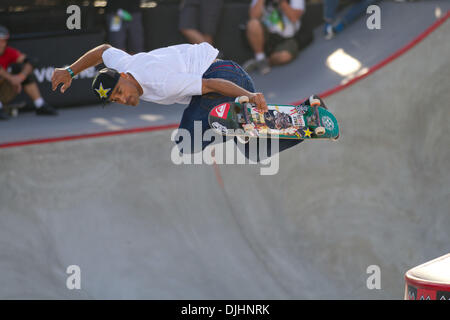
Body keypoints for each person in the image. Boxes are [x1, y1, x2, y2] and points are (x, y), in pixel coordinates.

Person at [51, 42, 304, 160]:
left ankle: (238, 117)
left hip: (223, 78)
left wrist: (249, 96)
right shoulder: (122, 64)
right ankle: (305, 120)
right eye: (116, 100)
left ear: (125, 77)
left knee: (187, 142)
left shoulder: (160, 80)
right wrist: (70, 71)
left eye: (119, 91)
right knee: (254, 152)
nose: (123, 99)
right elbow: (102, 51)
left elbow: (210, 85)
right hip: (224, 81)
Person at [0, 25, 57, 120]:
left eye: (3, 41)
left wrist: (21, 77)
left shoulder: (9, 52)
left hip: (5, 91)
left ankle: (40, 105)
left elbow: (31, 61)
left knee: (25, 71)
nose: (1, 44)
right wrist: (11, 78)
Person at [243, 0, 305, 75]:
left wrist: (281, 2)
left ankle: (263, 61)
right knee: (253, 24)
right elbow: (253, 16)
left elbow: (294, 17)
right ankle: (260, 57)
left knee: (284, 56)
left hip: (287, 37)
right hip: (267, 35)